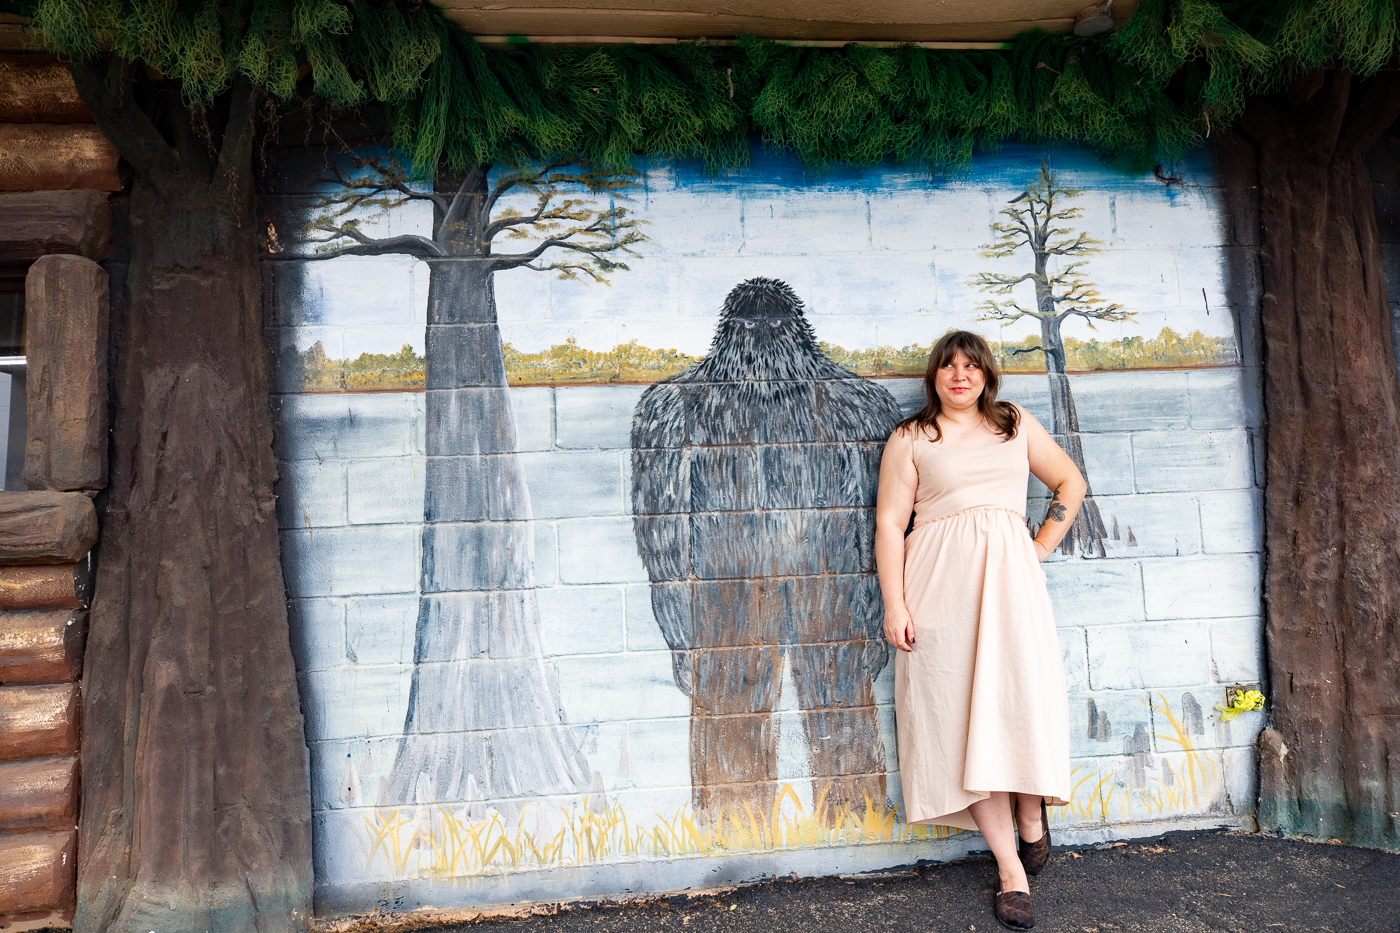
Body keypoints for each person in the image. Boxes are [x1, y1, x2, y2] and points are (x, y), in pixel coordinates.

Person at [874, 330, 1083, 931]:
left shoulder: (1014, 423)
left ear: (987, 374)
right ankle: (1009, 869)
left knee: (1014, 702)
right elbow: (891, 523)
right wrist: (897, 603)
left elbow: (1069, 483)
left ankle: (1032, 814)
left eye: (970, 365)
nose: (959, 375)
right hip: (939, 588)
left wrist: (1038, 547)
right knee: (963, 716)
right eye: (948, 366)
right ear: (934, 376)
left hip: (1010, 586)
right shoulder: (912, 438)